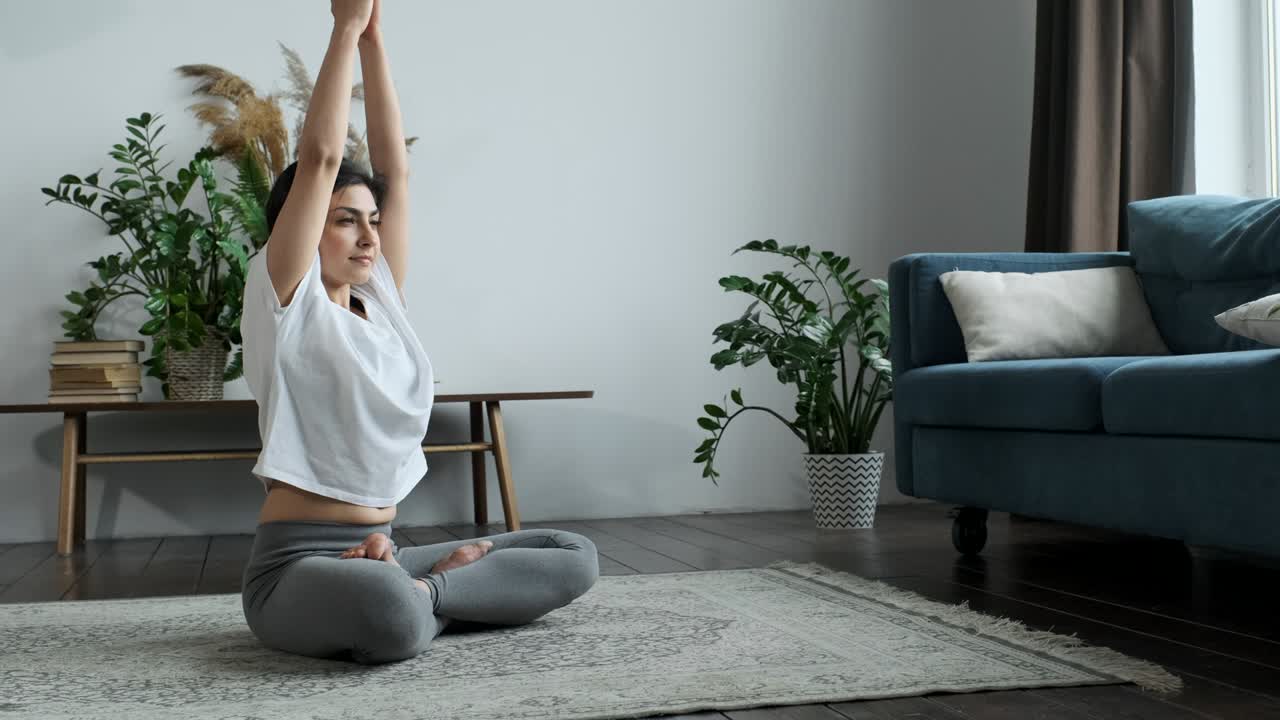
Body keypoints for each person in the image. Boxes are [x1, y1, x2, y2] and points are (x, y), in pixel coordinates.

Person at [238, 0, 598, 664]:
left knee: (574, 556)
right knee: (392, 617)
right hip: (293, 568)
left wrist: (375, 41)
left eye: (372, 219)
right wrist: (344, 27)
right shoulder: (286, 297)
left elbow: (395, 173)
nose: (369, 235)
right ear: (301, 222)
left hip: (384, 547)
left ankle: (415, 586)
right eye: (346, 219)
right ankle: (430, 594)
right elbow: (317, 159)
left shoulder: (382, 301)